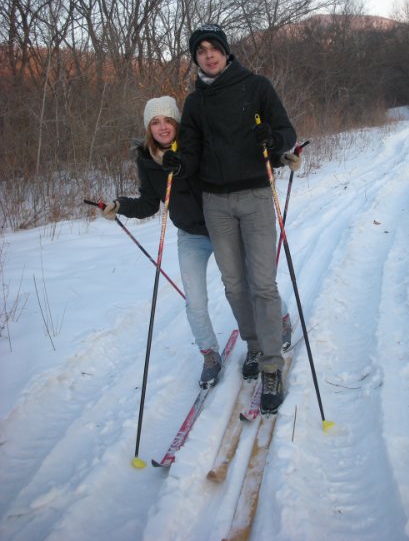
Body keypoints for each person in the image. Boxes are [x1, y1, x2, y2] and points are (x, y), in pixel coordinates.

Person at [99, 96, 300, 390]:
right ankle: (210, 355)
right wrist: (119, 206)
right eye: (155, 122)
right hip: (190, 236)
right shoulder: (146, 159)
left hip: (223, 227)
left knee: (252, 282)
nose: (163, 127)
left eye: (168, 120)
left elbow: (236, 163)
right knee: (194, 301)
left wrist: (280, 159)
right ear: (148, 127)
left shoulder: (197, 145)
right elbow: (148, 204)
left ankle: (279, 316)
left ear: (177, 123)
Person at [162, 24, 298, 414]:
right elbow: (190, 150)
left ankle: (271, 364)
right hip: (215, 203)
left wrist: (274, 141)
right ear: (196, 58)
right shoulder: (195, 103)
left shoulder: (256, 86)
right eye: (200, 51)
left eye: (213, 48)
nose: (208, 55)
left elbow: (287, 131)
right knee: (235, 286)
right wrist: (176, 162)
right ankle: (254, 346)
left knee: (262, 284)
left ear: (225, 51)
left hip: (255, 195)